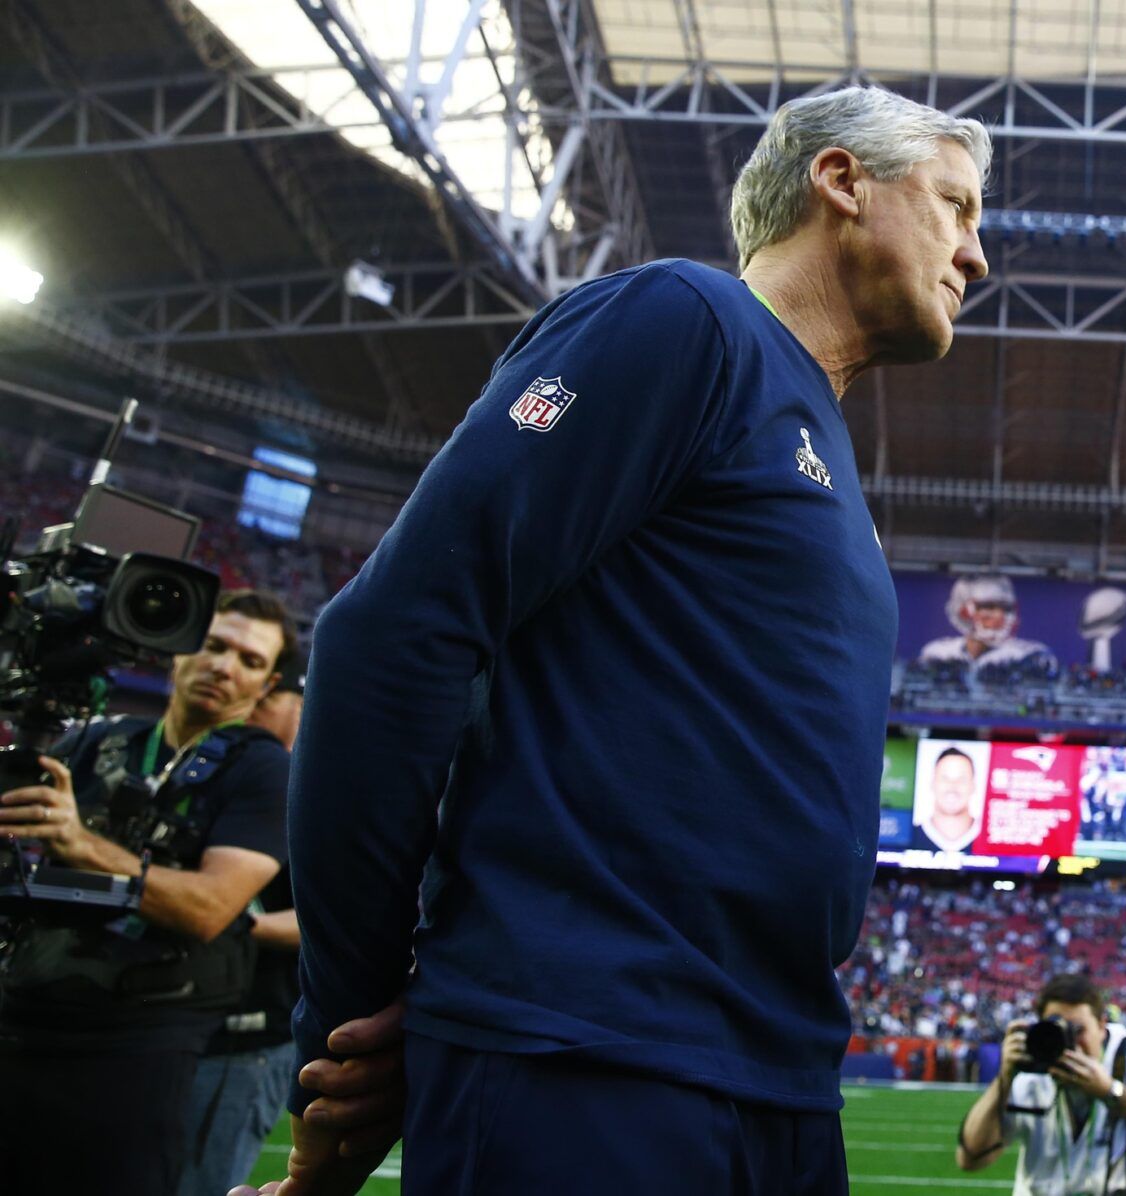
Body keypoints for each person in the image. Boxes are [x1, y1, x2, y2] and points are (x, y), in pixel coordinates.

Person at [240, 85, 991, 1196]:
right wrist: (349, 1033)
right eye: (957, 207)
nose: (976, 256)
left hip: (771, 1071)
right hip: (592, 1054)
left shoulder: (814, 436)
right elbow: (393, 634)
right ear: (843, 181)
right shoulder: (691, 322)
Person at [0, 589, 297, 1196]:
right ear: (179, 651)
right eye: (214, 645)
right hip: (30, 1009)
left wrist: (82, 845)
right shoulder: (99, 741)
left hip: (138, 1042)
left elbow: (213, 907)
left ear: (266, 685)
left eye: (248, 660)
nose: (224, 666)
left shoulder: (263, 771)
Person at [177, 658, 307, 1195]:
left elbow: (323, 920)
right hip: (182, 1019)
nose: (254, 707)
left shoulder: (310, 791)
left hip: (249, 1031)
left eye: (269, 696)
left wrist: (224, 921)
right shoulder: (224, 774)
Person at [956, 973, 1126, 1194]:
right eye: (1057, 1030)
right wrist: (1005, 1077)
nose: (1070, 1042)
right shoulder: (1032, 1064)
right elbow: (970, 1159)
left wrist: (1109, 1091)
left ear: (1102, 1026)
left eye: (1077, 1030)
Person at [920, 575, 1057, 675]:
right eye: (988, 606)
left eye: (1006, 608)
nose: (999, 615)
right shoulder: (938, 653)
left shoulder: (1031, 654)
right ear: (961, 610)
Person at [911, 745, 984, 853]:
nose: (952, 787)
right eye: (945, 778)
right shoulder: (910, 835)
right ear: (932, 783)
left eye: (961, 779)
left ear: (973, 786)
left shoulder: (991, 840)